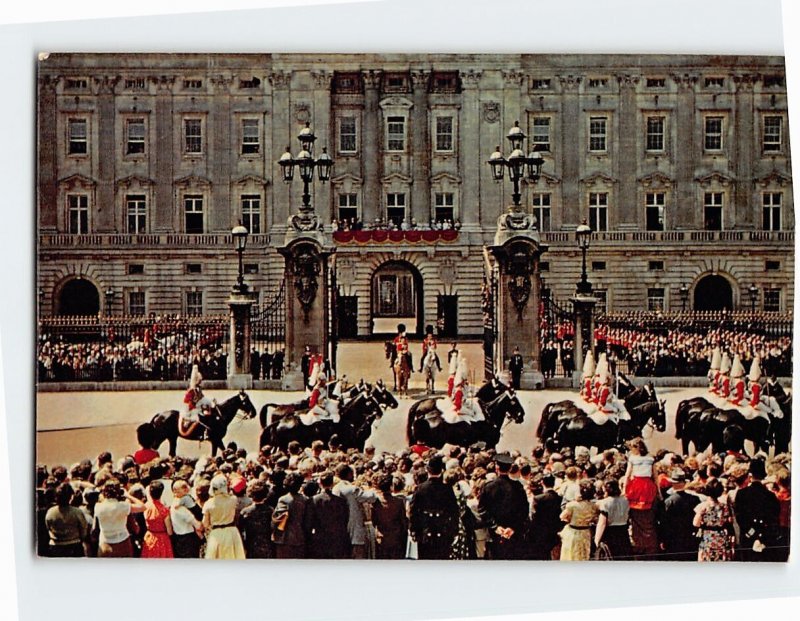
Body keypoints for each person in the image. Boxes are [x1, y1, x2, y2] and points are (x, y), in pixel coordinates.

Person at [478, 453, 530, 560]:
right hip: (514, 535)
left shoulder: (488, 487)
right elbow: (524, 510)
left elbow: (482, 510)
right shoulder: (518, 487)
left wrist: (495, 527)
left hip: (495, 535)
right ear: (510, 468)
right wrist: (513, 528)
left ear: (497, 467)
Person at [410, 455, 459, 560]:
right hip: (443, 530)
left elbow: (413, 511)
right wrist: (454, 530)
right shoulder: (447, 489)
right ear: (441, 471)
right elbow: (454, 511)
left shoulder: (420, 488)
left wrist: (413, 530)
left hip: (425, 530)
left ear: (427, 470)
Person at [734, 458, 780, 562]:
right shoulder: (771, 496)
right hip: (766, 539)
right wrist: (761, 536)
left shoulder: (741, 494)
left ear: (750, 475)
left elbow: (740, 519)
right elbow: (774, 518)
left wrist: (753, 534)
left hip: (747, 539)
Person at [623, 438, 660, 559]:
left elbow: (627, 476)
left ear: (636, 448)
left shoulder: (632, 459)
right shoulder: (650, 458)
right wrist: (658, 492)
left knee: (635, 517)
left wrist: (624, 490)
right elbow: (655, 477)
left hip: (637, 486)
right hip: (648, 486)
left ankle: (639, 544)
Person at [333, 463, 378, 559]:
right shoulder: (351, 489)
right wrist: (375, 491)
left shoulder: (335, 488)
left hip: (341, 532)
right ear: (349, 474)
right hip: (354, 533)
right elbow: (371, 497)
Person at [94, 479, 147, 557]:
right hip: (123, 543)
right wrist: (128, 495)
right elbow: (142, 507)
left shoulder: (98, 507)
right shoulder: (123, 506)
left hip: (105, 544)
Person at [656, 467, 700, 561]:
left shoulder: (667, 502)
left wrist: (662, 539)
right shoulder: (695, 499)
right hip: (690, 537)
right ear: (684, 483)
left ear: (672, 483)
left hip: (673, 539)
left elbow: (664, 523)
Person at [307, 470, 350, 559]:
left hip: (320, 539)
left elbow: (309, 522)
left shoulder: (314, 500)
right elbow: (345, 520)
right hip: (337, 539)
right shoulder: (341, 501)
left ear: (320, 483)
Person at [202, 474, 246, 559]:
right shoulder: (233, 499)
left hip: (216, 533)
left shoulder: (209, 503)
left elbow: (205, 523)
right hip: (232, 532)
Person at [693, 478, 735, 562]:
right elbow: (730, 523)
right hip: (721, 539)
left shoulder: (702, 506)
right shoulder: (725, 507)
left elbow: (695, 524)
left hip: (707, 539)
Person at [271, 472, 311, 559]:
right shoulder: (306, 500)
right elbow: (308, 522)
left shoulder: (283, 500)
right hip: (300, 538)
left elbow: (277, 520)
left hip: (284, 539)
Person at [44, 482, 90, 557]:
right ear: (70, 497)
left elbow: (48, 527)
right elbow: (84, 530)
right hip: (74, 547)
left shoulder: (50, 512)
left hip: (56, 547)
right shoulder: (77, 512)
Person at [559, 480, 599, 561]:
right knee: (584, 554)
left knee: (570, 554)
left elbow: (562, 516)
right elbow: (595, 518)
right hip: (585, 532)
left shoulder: (572, 505)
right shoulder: (593, 506)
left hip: (573, 532)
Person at [372, 473, 409, 560]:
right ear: (391, 487)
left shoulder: (376, 502)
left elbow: (374, 521)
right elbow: (403, 522)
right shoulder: (398, 502)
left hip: (381, 539)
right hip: (396, 539)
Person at [594, 479, 632, 560]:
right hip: (623, 532)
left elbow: (602, 523)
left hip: (611, 534)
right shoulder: (626, 500)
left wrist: (597, 540)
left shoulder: (605, 503)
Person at [528, 473, 563, 560]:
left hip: (540, 532)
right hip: (554, 531)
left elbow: (533, 516)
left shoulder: (538, 498)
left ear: (542, 483)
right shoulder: (559, 498)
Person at [239, 480, 273, 559]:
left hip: (251, 545)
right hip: (267, 545)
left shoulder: (245, 512)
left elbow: (240, 529)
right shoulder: (270, 510)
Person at [169, 479, 203, 559]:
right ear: (175, 491)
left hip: (178, 538)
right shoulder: (180, 508)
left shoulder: (174, 503)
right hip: (188, 540)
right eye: (184, 487)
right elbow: (197, 525)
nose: (187, 489)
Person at [141, 480, 174, 558]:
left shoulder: (145, 506)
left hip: (149, 537)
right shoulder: (164, 510)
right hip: (162, 539)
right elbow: (169, 531)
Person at [182, 364, 215, 438]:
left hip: (197, 407)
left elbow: (202, 398)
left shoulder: (198, 388)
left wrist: (209, 402)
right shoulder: (191, 390)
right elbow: (189, 402)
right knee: (197, 418)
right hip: (191, 409)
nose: (200, 382)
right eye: (199, 381)